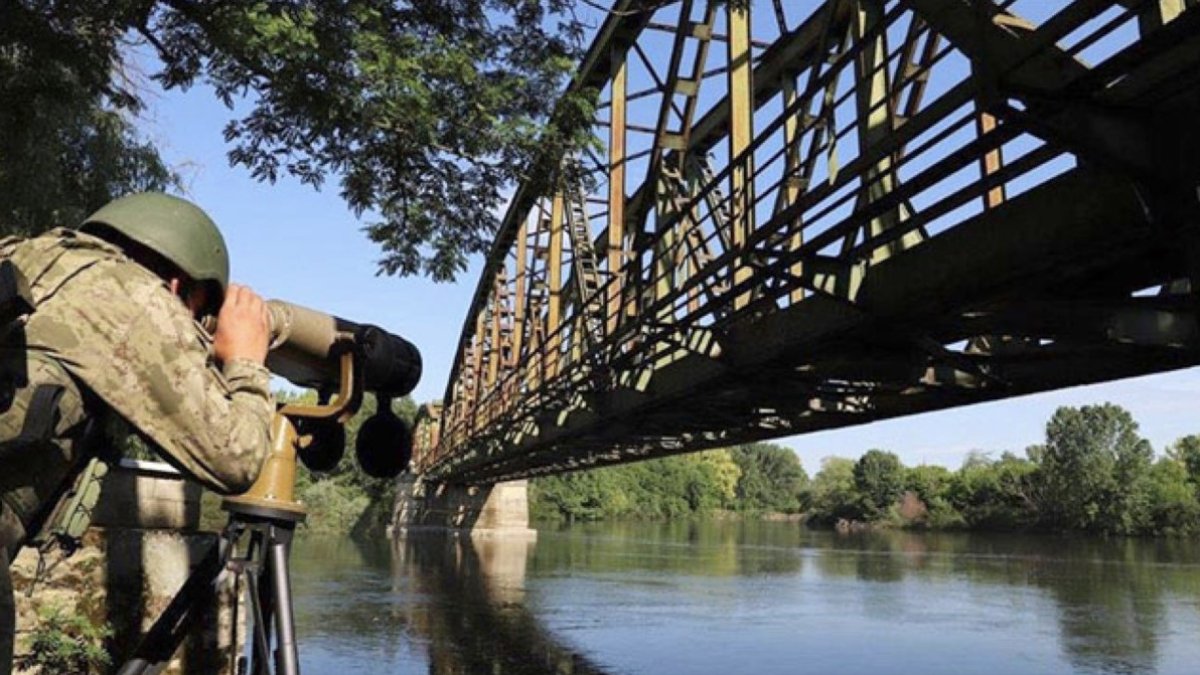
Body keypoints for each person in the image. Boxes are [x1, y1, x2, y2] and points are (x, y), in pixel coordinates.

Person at [0, 192, 274, 672]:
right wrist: (248, 363)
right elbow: (237, 458)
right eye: (196, 313)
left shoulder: (22, 253)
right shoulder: (135, 297)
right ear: (176, 285)